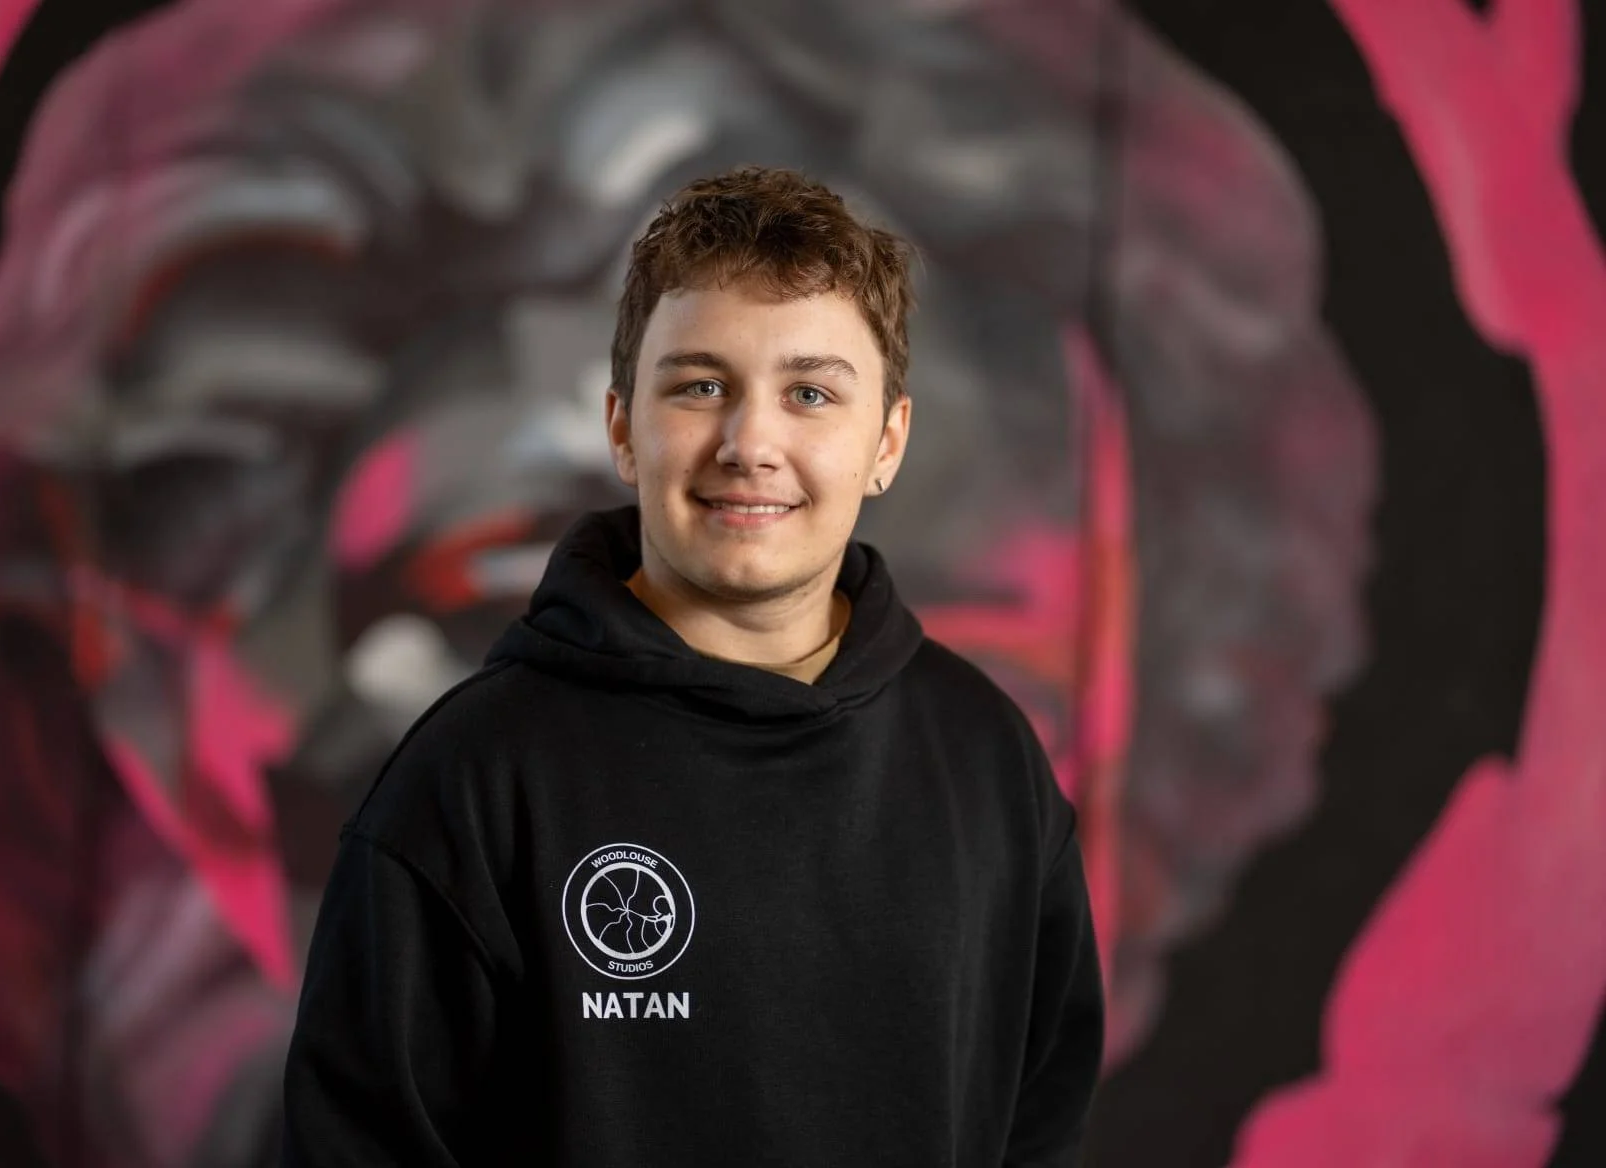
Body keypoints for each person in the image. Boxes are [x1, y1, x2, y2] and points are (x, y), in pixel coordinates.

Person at [281, 165, 1104, 1167]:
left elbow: (1041, 1125)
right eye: (702, 386)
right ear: (623, 427)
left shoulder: (985, 765)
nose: (750, 441)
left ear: (886, 440)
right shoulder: (476, 777)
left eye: (809, 393)